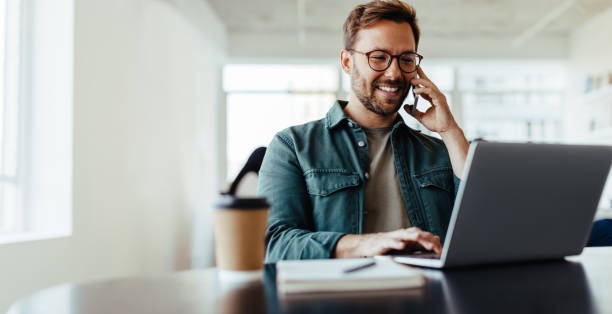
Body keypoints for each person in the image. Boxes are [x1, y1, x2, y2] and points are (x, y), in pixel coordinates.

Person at [258, 0, 469, 262]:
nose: (394, 73)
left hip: (429, 298)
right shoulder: (293, 146)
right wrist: (368, 244)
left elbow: (483, 227)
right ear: (347, 62)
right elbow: (273, 244)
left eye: (406, 59)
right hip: (339, 299)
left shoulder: (439, 151)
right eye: (379, 57)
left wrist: (450, 131)